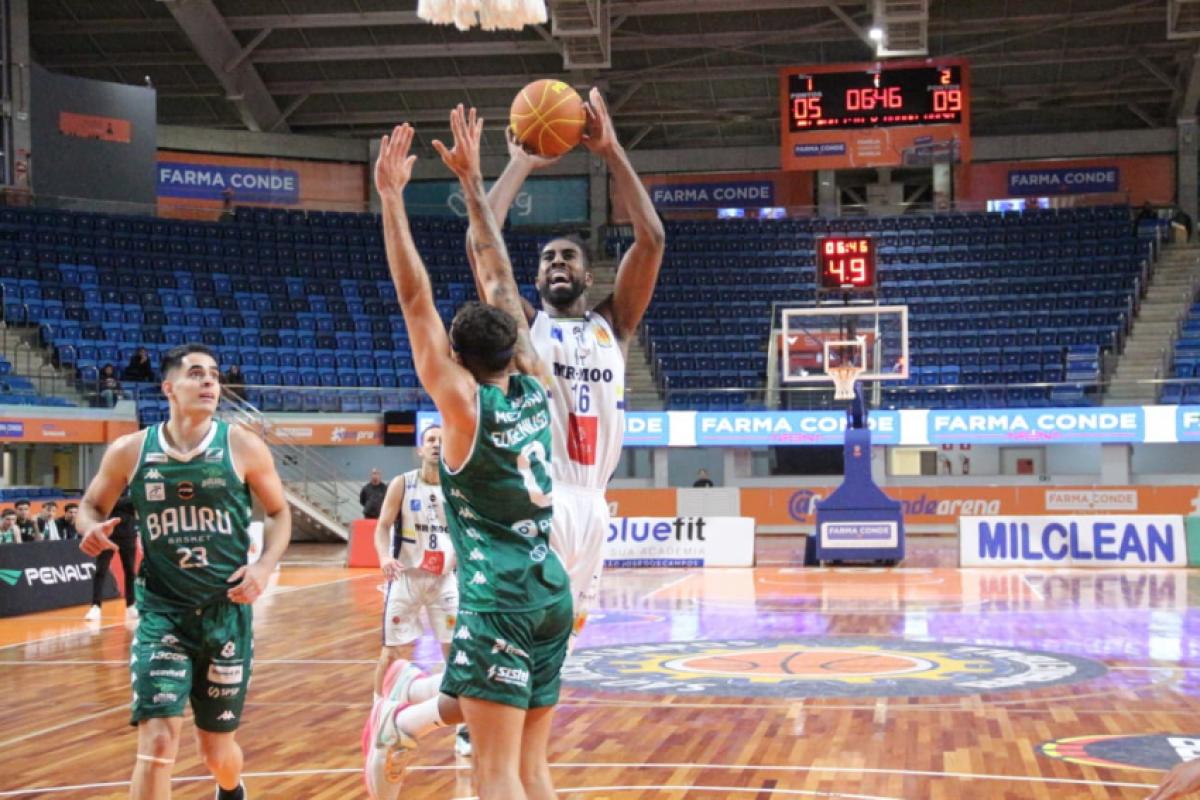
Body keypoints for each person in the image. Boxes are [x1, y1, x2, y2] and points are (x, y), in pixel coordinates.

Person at [364, 107, 570, 800]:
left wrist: (392, 198)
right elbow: (501, 283)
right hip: (551, 591)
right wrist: (477, 186)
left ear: (455, 358)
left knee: (496, 775)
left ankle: (407, 709)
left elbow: (413, 295)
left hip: (499, 599)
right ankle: (414, 708)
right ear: (516, 349)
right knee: (534, 771)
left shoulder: (461, 407)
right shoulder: (541, 389)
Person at [470, 87, 664, 645]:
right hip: (536, 497)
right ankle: (453, 723)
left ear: (588, 276)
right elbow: (481, 245)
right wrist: (517, 164)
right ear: (534, 281)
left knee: (562, 645)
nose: (557, 262)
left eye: (568, 256)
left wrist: (611, 150)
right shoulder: (525, 327)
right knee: (515, 640)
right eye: (547, 258)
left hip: (594, 505)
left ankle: (424, 711)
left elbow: (651, 239)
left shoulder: (614, 326)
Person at [78, 342, 291, 800]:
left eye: (214, 373)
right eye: (197, 373)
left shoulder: (242, 445)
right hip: (162, 615)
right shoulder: (131, 450)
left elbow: (278, 512)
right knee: (156, 743)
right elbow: (91, 504)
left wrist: (264, 566)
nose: (211, 381)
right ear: (169, 387)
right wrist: (90, 527)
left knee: (216, 750)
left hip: (225, 613)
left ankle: (230, 789)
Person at [371, 424, 470, 756]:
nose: (436, 446)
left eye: (442, 441)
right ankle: (379, 713)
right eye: (430, 440)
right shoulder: (403, 483)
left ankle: (464, 728)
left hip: (444, 581)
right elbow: (383, 525)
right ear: (419, 448)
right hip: (407, 579)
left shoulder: (458, 487)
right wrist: (384, 556)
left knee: (456, 654)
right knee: (391, 653)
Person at [84, 492, 138, 622]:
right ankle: (96, 606)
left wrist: (114, 502)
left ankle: (131, 604)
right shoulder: (109, 486)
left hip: (128, 536)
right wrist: (119, 503)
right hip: (107, 536)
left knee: (130, 571)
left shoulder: (130, 487)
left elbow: (134, 502)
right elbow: (102, 504)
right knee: (100, 571)